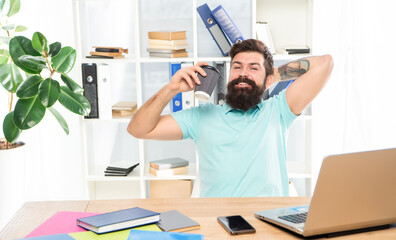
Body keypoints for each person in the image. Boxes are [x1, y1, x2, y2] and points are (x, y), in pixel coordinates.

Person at [127, 39, 333, 198]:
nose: (243, 74)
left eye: (253, 68)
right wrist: (171, 89)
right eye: (237, 67)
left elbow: (325, 63)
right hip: (219, 222)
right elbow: (138, 129)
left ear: (269, 79)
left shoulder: (279, 110)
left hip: (269, 221)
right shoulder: (201, 116)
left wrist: (271, 75)